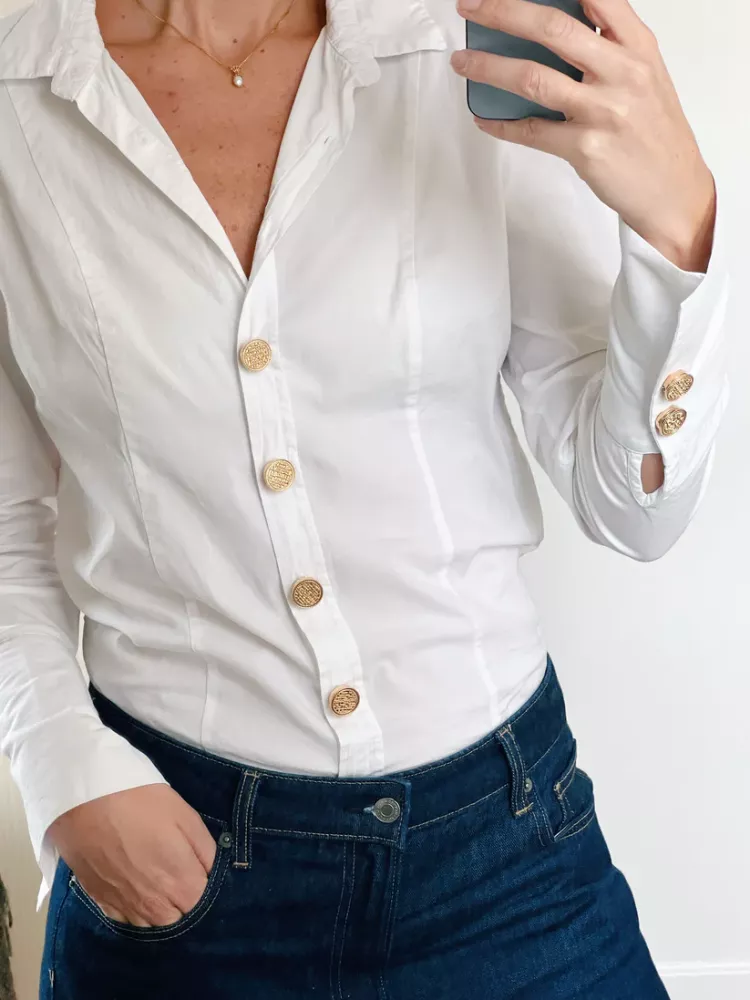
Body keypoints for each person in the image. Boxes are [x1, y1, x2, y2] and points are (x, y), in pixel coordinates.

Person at [0, 0, 729, 996]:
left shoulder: (458, 47)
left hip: (506, 854)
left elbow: (632, 509)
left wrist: (677, 225)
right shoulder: (16, 94)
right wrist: (59, 763)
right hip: (171, 855)